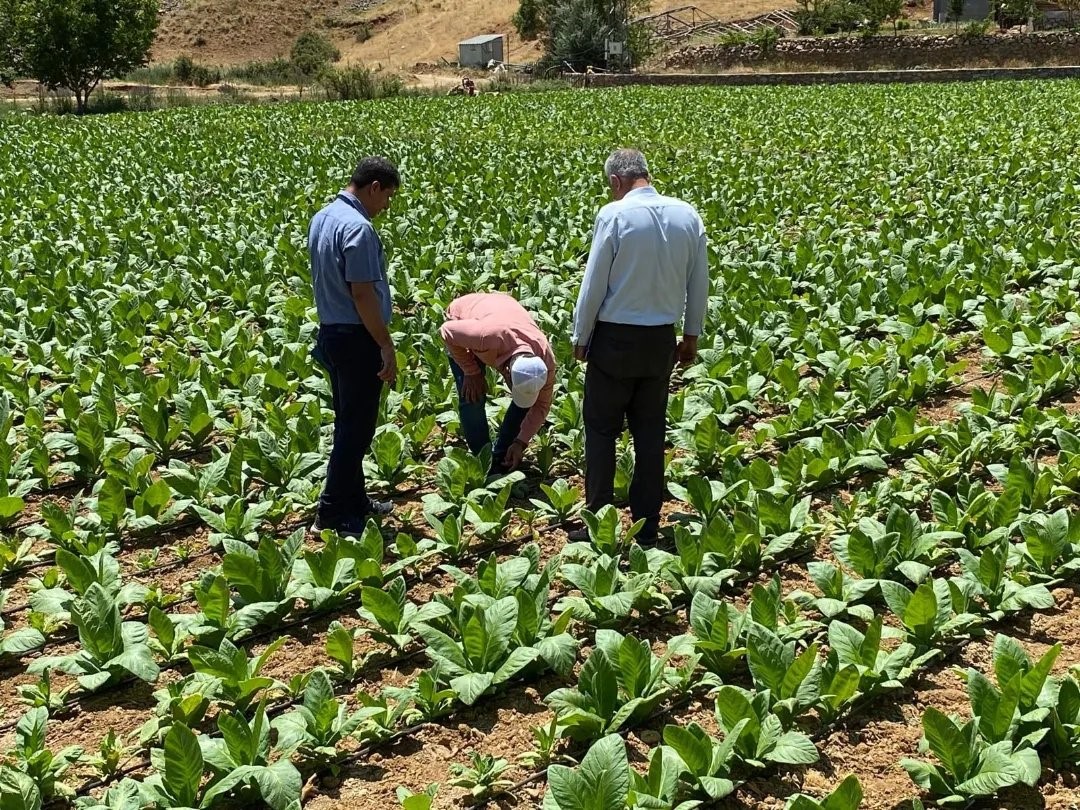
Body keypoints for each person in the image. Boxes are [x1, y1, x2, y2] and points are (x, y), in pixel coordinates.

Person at [571, 148, 709, 541]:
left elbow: (594, 281)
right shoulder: (687, 214)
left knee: (600, 429)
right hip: (660, 340)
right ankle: (647, 525)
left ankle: (598, 520)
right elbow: (699, 283)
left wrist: (581, 336)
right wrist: (691, 336)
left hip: (615, 339)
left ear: (616, 182)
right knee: (649, 432)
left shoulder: (613, 215)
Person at [309, 156, 400, 536]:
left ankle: (356, 500)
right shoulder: (359, 229)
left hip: (331, 333)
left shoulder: (322, 217)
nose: (387, 206)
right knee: (356, 430)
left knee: (349, 421)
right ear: (373, 187)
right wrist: (385, 344)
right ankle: (331, 511)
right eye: (387, 197)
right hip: (357, 337)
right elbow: (362, 294)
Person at [439, 292, 555, 473]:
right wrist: (471, 372)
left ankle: (502, 456)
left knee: (523, 405)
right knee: (472, 396)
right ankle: (483, 461)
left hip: (504, 311)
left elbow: (541, 405)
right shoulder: (486, 336)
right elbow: (447, 331)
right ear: (507, 373)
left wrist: (520, 442)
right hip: (466, 319)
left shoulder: (545, 363)